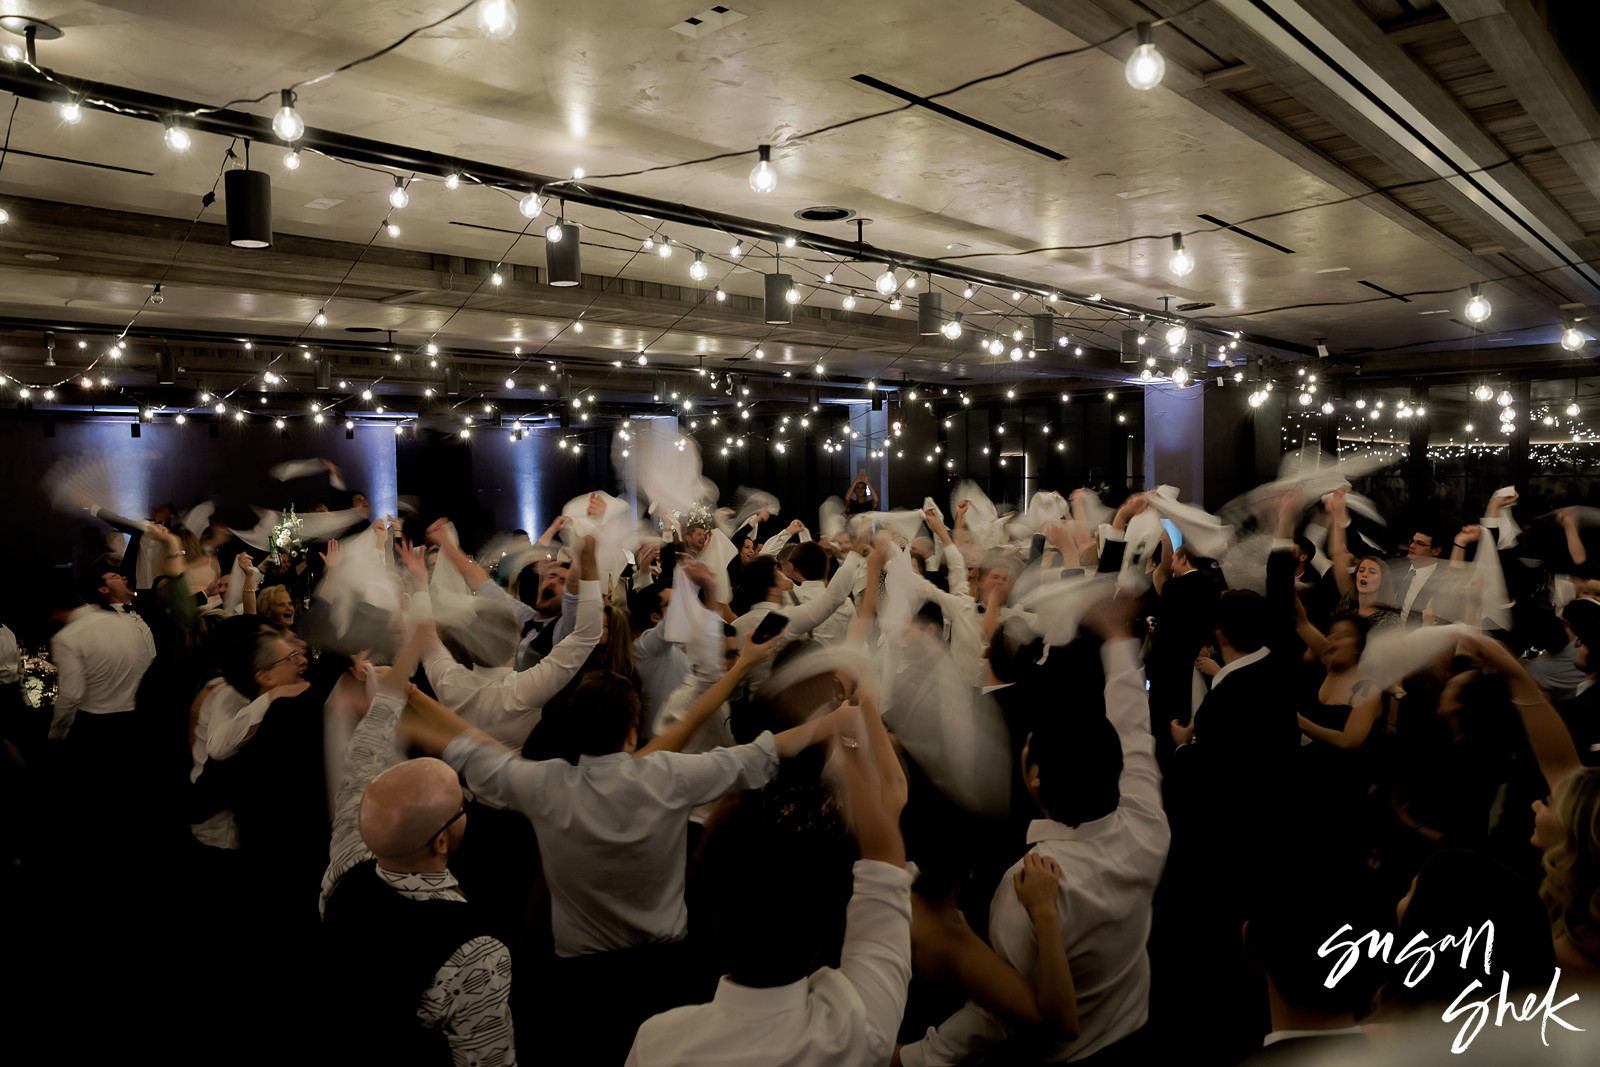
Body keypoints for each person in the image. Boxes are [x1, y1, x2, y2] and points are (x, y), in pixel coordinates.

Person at [399, 635, 854, 1063]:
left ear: (577, 732)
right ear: (632, 732)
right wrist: (835, 718)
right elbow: (767, 749)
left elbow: (469, 746)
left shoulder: (544, 786)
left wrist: (410, 696)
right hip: (664, 970)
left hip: (582, 981)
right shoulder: (668, 776)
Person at [899, 597, 1169, 1065]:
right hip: (1138, 1025)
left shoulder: (1029, 883)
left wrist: (919, 1056)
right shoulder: (1148, 825)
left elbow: (1003, 1008)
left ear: (1035, 778)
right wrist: (1119, 642)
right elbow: (1134, 730)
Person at [627, 694, 916, 1067]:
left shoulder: (657, 1044)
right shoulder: (861, 1033)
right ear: (824, 928)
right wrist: (849, 739)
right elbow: (888, 832)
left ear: (716, 918)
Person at [321, 620, 516, 1067]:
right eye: (460, 803)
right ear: (441, 842)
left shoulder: (347, 856)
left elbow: (367, 745)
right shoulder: (475, 950)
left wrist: (409, 655)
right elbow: (489, 1059)